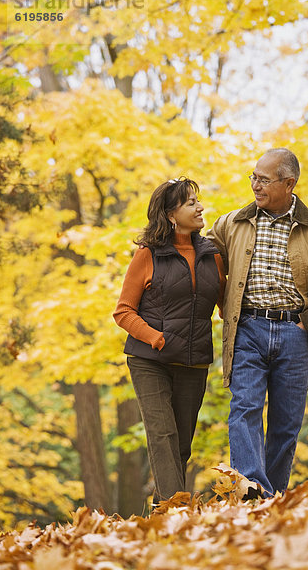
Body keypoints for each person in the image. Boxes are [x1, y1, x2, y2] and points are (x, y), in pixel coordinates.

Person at [207, 148, 308, 498]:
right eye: (253, 177)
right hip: (248, 329)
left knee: (286, 424)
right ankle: (251, 491)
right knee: (244, 409)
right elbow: (205, 261)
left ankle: (271, 498)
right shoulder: (231, 223)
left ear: (289, 183)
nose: (255, 185)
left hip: (296, 333)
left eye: (264, 179)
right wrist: (222, 303)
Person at [114, 177, 226, 504]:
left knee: (181, 446)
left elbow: (224, 303)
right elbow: (123, 312)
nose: (200, 207)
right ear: (171, 214)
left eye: (198, 200)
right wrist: (156, 339)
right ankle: (180, 512)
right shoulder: (148, 255)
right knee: (162, 436)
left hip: (194, 361)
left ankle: (162, 518)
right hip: (150, 360)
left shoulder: (212, 256)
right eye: (191, 202)